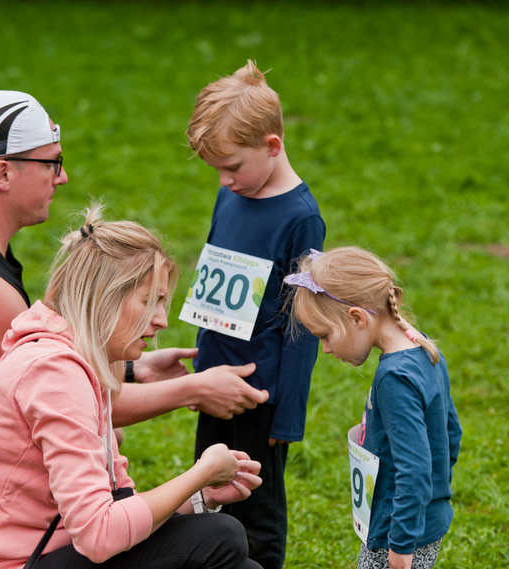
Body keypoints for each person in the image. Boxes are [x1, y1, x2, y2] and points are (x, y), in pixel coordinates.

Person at [0, 90, 269, 569]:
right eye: (52, 162)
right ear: (3, 173)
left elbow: (93, 425)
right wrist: (194, 398)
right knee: (221, 537)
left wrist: (132, 369)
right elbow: (68, 408)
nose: (63, 176)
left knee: (225, 544)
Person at [0, 205, 263, 569]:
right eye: (148, 301)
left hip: (46, 555)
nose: (161, 320)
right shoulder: (54, 373)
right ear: (105, 298)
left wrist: (200, 496)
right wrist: (198, 473)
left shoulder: (82, 363)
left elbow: (120, 505)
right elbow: (99, 536)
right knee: (220, 536)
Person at [185, 61, 326, 569]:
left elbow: (303, 323)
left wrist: (286, 412)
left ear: (271, 146)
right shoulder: (233, 196)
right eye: (217, 171)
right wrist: (199, 366)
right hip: (215, 383)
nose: (224, 181)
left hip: (259, 395)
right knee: (208, 495)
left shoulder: (300, 218)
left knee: (256, 513)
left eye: (232, 167)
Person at [284, 246, 462, 569]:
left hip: (398, 534)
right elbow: (452, 432)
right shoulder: (423, 347)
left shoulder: (394, 377)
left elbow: (415, 468)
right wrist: (435, 498)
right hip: (419, 522)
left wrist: (401, 546)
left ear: (356, 318)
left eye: (325, 336)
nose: (324, 350)